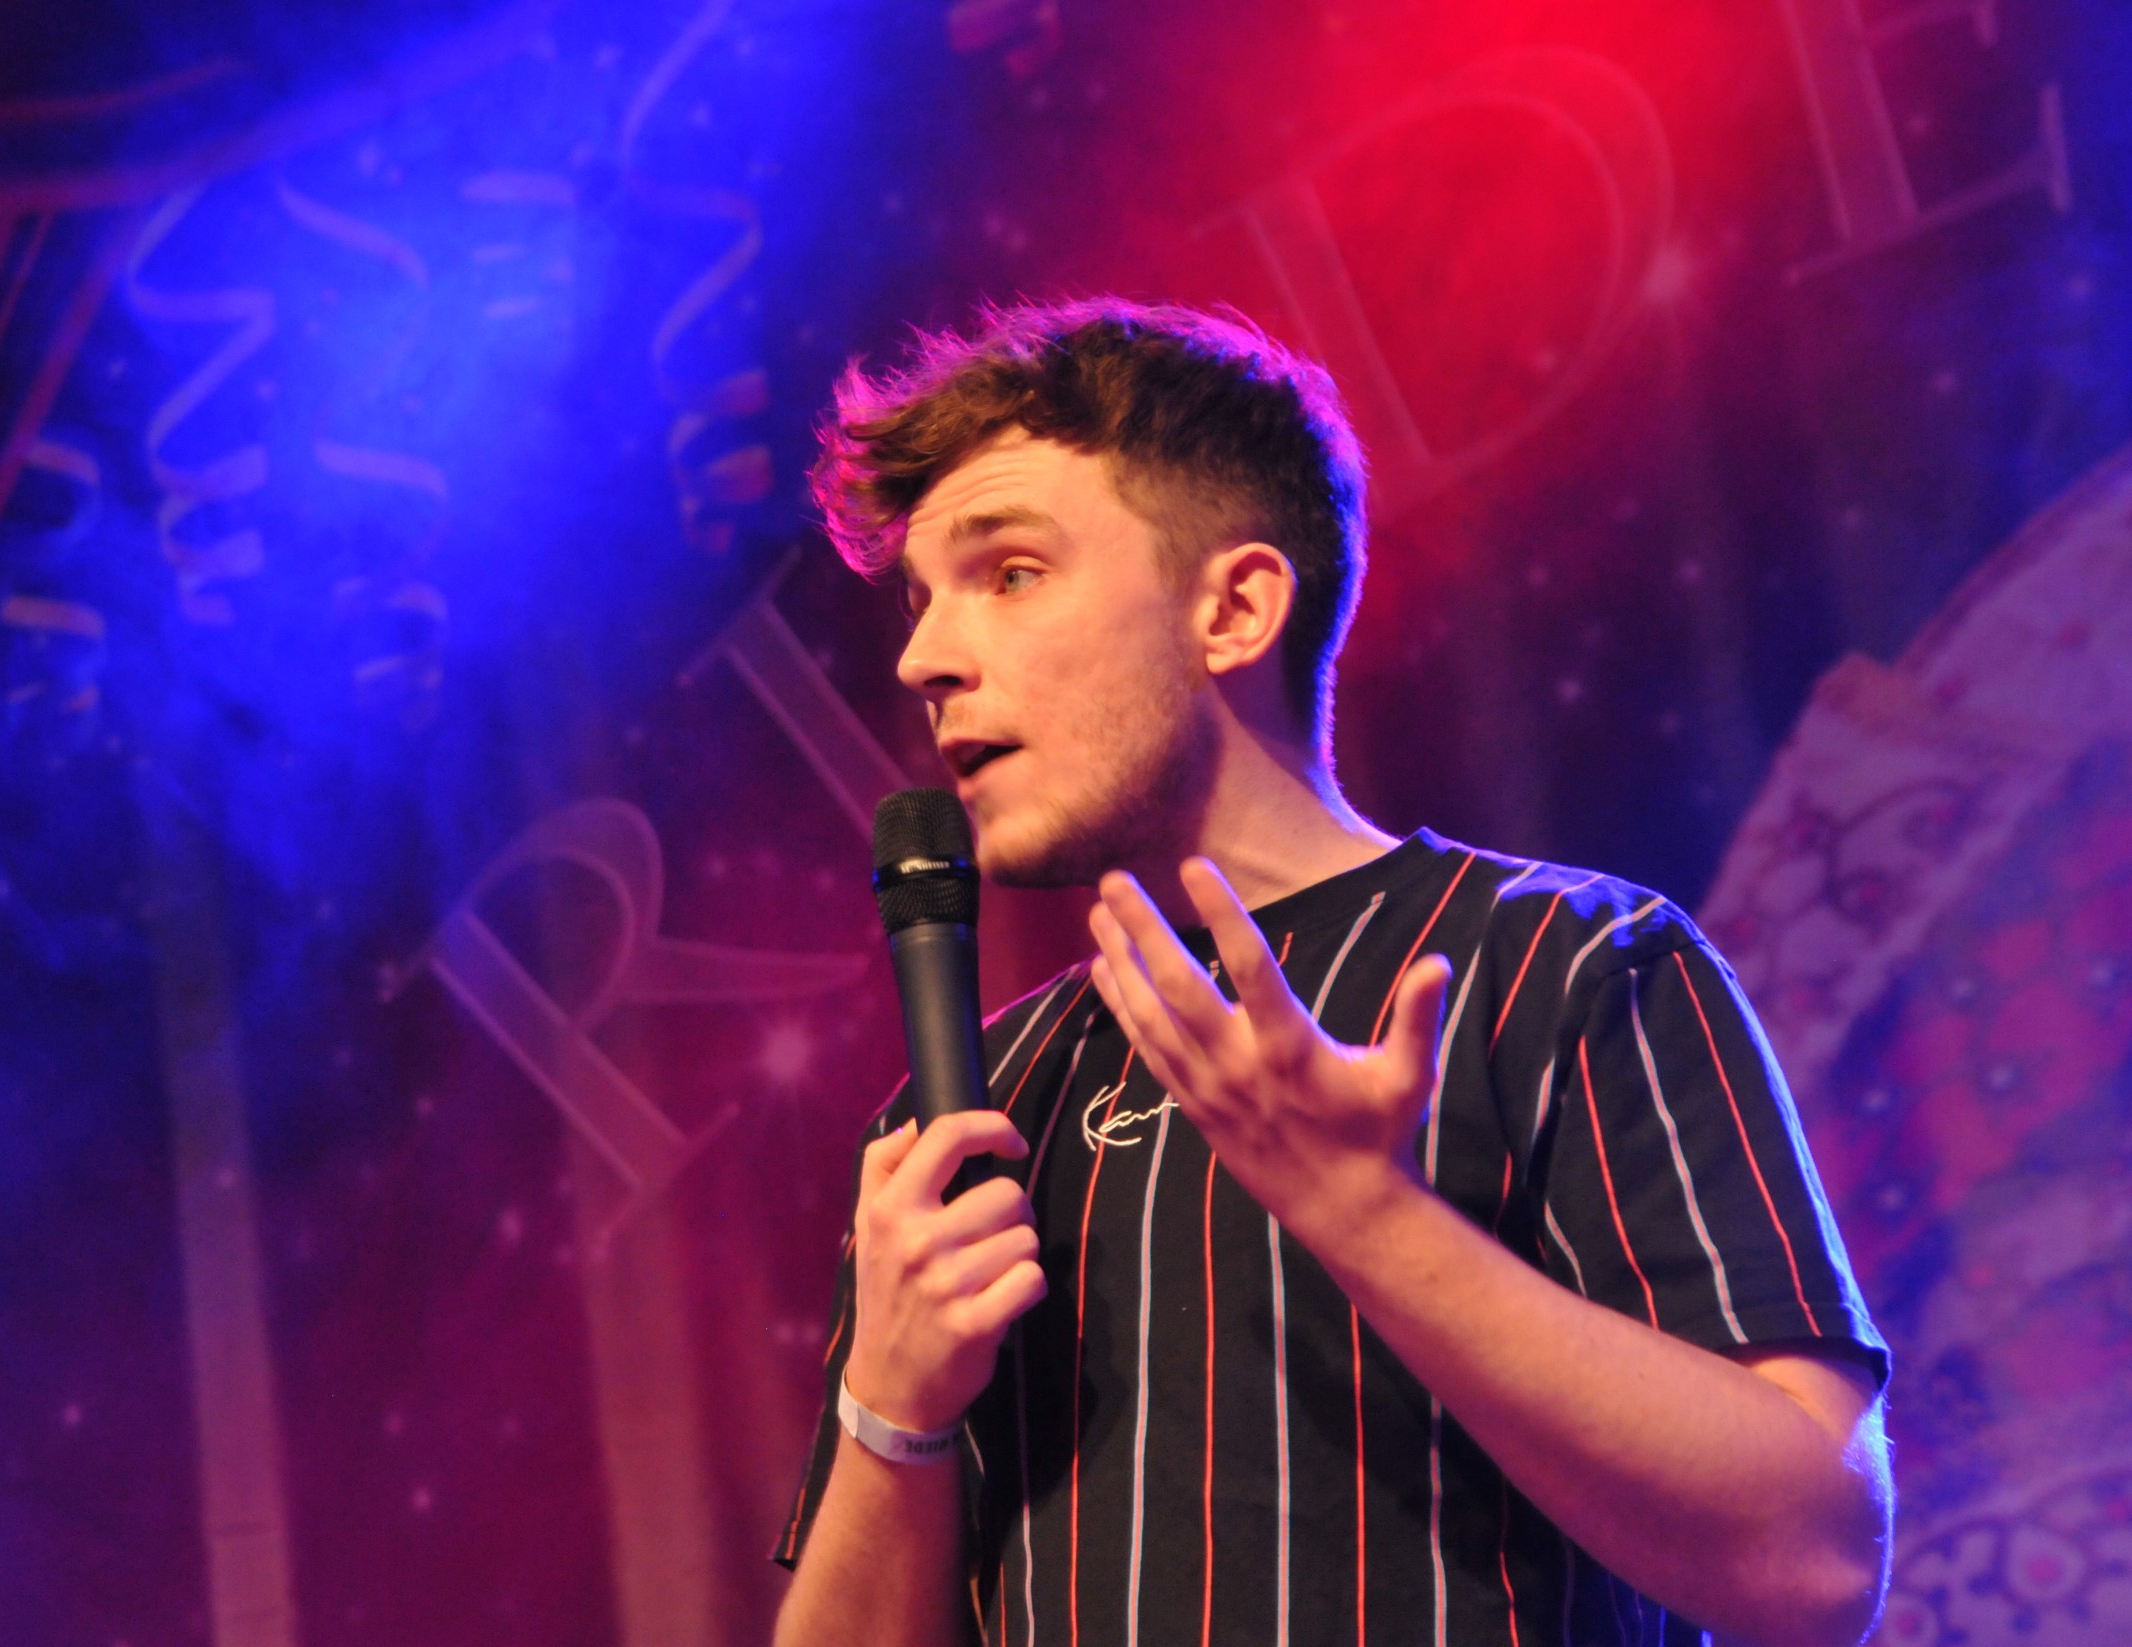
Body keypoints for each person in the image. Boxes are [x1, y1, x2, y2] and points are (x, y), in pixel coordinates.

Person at [770, 299, 1891, 1647]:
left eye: (1008, 574)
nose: (924, 658)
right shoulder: (965, 1112)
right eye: (920, 600)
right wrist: (892, 1410)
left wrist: (1364, 1210)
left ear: (1235, 608)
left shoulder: (1565, 963)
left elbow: (1813, 1565)